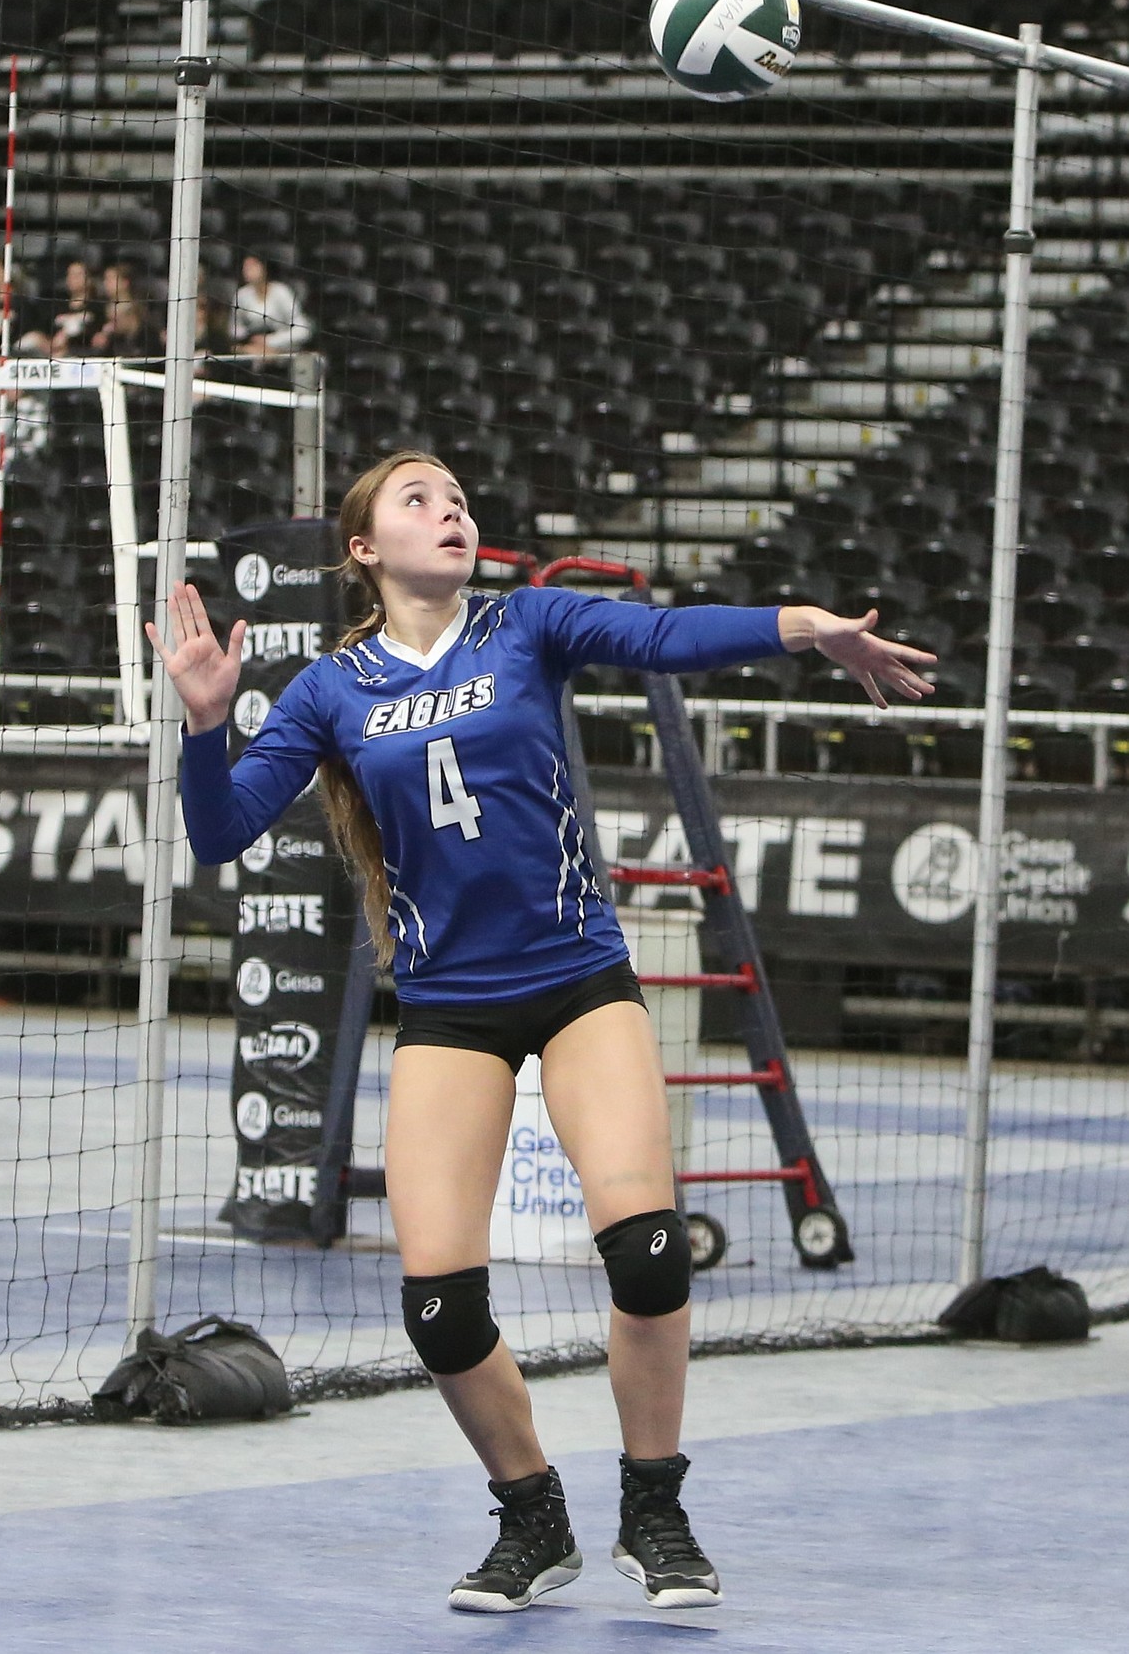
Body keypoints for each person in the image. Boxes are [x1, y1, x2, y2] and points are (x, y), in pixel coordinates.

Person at [146, 449, 936, 1615]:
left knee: (651, 1247)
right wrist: (207, 722)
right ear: (365, 547)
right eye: (420, 499)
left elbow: (669, 638)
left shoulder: (528, 624)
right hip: (451, 1008)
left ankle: (654, 1507)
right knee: (440, 1305)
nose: (451, 510)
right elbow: (219, 834)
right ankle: (532, 1515)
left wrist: (806, 627)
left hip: (576, 979)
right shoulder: (330, 687)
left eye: (460, 497)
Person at [229, 252, 310, 358]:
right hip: (253, 347)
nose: (247, 270)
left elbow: (302, 331)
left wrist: (269, 341)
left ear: (264, 268)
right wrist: (249, 340)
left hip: (283, 347)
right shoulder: (241, 295)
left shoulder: (282, 292)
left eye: (252, 266)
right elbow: (234, 329)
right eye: (245, 267)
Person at [90, 262, 155, 358]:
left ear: (125, 283)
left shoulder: (139, 309)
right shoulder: (100, 308)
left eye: (111, 279)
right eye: (105, 279)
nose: (106, 283)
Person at [47, 259, 103, 357]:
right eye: (69, 275)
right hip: (53, 352)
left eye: (77, 275)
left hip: (83, 354)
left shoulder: (97, 306)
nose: (72, 278)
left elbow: (95, 335)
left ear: (88, 279)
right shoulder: (58, 306)